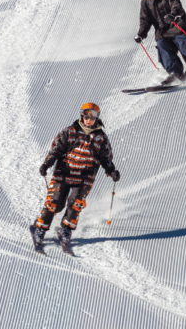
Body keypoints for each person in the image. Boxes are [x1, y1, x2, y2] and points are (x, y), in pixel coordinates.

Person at [31, 103, 120, 253]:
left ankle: (66, 230)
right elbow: (56, 150)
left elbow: (106, 158)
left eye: (93, 116)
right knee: (55, 203)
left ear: (97, 118)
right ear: (82, 115)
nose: (89, 119)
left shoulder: (100, 138)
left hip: (85, 176)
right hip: (63, 173)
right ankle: (39, 229)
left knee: (75, 204)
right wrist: (47, 164)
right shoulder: (69, 132)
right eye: (87, 115)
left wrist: (112, 171)